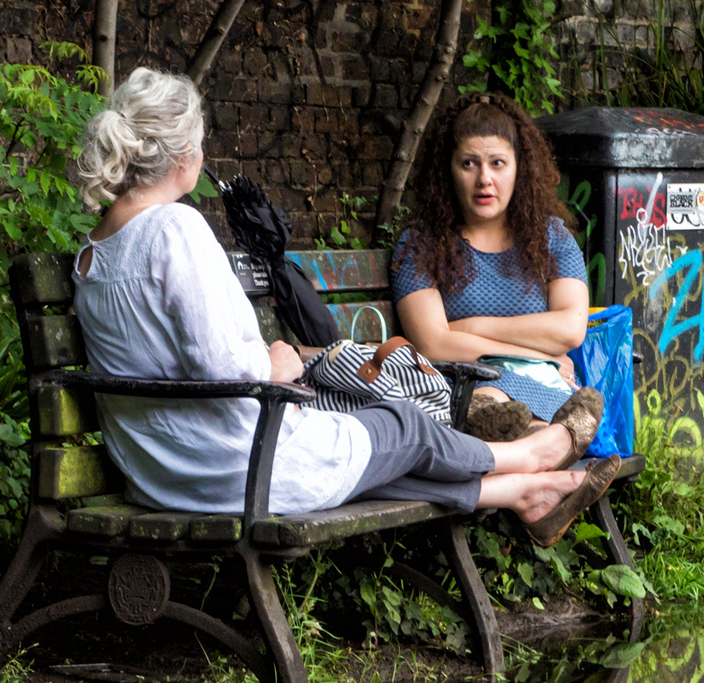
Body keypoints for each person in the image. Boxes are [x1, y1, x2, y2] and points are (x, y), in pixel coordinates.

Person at [70, 68, 617, 547]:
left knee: (387, 453)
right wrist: (277, 364)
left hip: (162, 470)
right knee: (403, 426)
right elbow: (226, 370)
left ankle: (529, 494)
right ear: (185, 154)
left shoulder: (92, 254)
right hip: (233, 466)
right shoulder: (174, 226)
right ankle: (533, 457)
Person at [392, 92, 600, 448]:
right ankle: (543, 456)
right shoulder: (422, 243)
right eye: (469, 163)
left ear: (520, 167)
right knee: (494, 404)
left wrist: (472, 327)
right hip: (462, 387)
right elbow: (433, 343)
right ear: (449, 170)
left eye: (498, 163)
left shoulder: (551, 238)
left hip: (543, 389)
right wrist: (542, 355)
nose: (484, 179)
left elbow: (570, 329)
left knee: (547, 416)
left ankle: (537, 451)